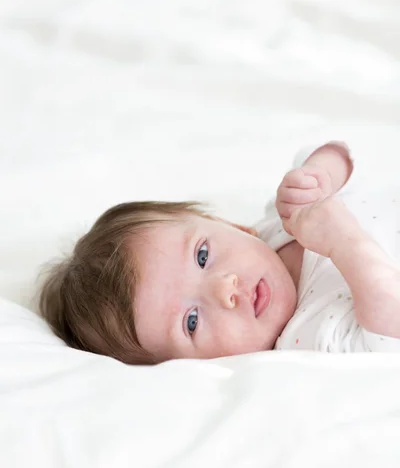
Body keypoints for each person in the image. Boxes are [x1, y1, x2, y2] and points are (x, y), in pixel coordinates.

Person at [38, 138, 400, 364]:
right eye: (191, 322)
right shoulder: (308, 338)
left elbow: (342, 156)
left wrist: (317, 175)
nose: (224, 288)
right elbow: (389, 330)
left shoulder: (285, 220)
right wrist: (346, 242)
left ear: (232, 226)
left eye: (202, 256)